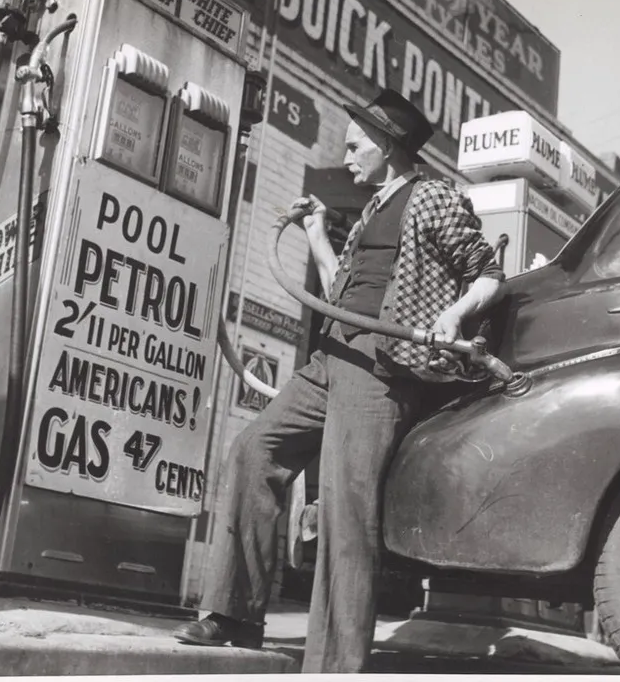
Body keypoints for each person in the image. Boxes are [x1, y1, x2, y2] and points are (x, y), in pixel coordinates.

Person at [175, 88, 505, 672]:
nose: (348, 155)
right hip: (332, 356)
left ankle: (331, 664)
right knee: (254, 449)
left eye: (356, 146)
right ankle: (233, 612)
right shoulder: (372, 211)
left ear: (386, 146)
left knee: (343, 513)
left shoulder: (431, 198)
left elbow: (487, 273)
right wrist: (320, 236)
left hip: (382, 366)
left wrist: (453, 316)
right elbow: (340, 296)